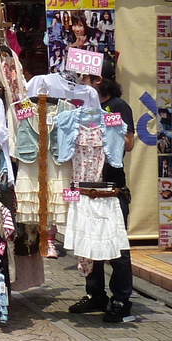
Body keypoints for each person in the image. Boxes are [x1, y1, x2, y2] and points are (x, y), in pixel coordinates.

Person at [71, 74, 139, 323]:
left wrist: (110, 128)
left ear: (99, 80)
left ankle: (121, 299)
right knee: (90, 242)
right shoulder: (80, 109)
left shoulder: (119, 106)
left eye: (85, 78)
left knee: (117, 246)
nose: (81, 83)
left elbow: (130, 144)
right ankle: (95, 295)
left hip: (112, 188)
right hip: (86, 186)